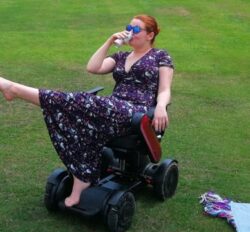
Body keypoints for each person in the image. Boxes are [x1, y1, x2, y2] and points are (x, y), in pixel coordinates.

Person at [0, 14, 174, 207]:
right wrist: (110, 41)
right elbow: (93, 67)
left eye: (135, 29)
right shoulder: (121, 56)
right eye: (128, 27)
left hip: (137, 112)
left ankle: (14, 89)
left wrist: (160, 106)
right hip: (113, 107)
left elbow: (165, 89)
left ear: (150, 35)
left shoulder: (160, 56)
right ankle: (82, 179)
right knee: (75, 116)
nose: (129, 32)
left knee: (83, 100)